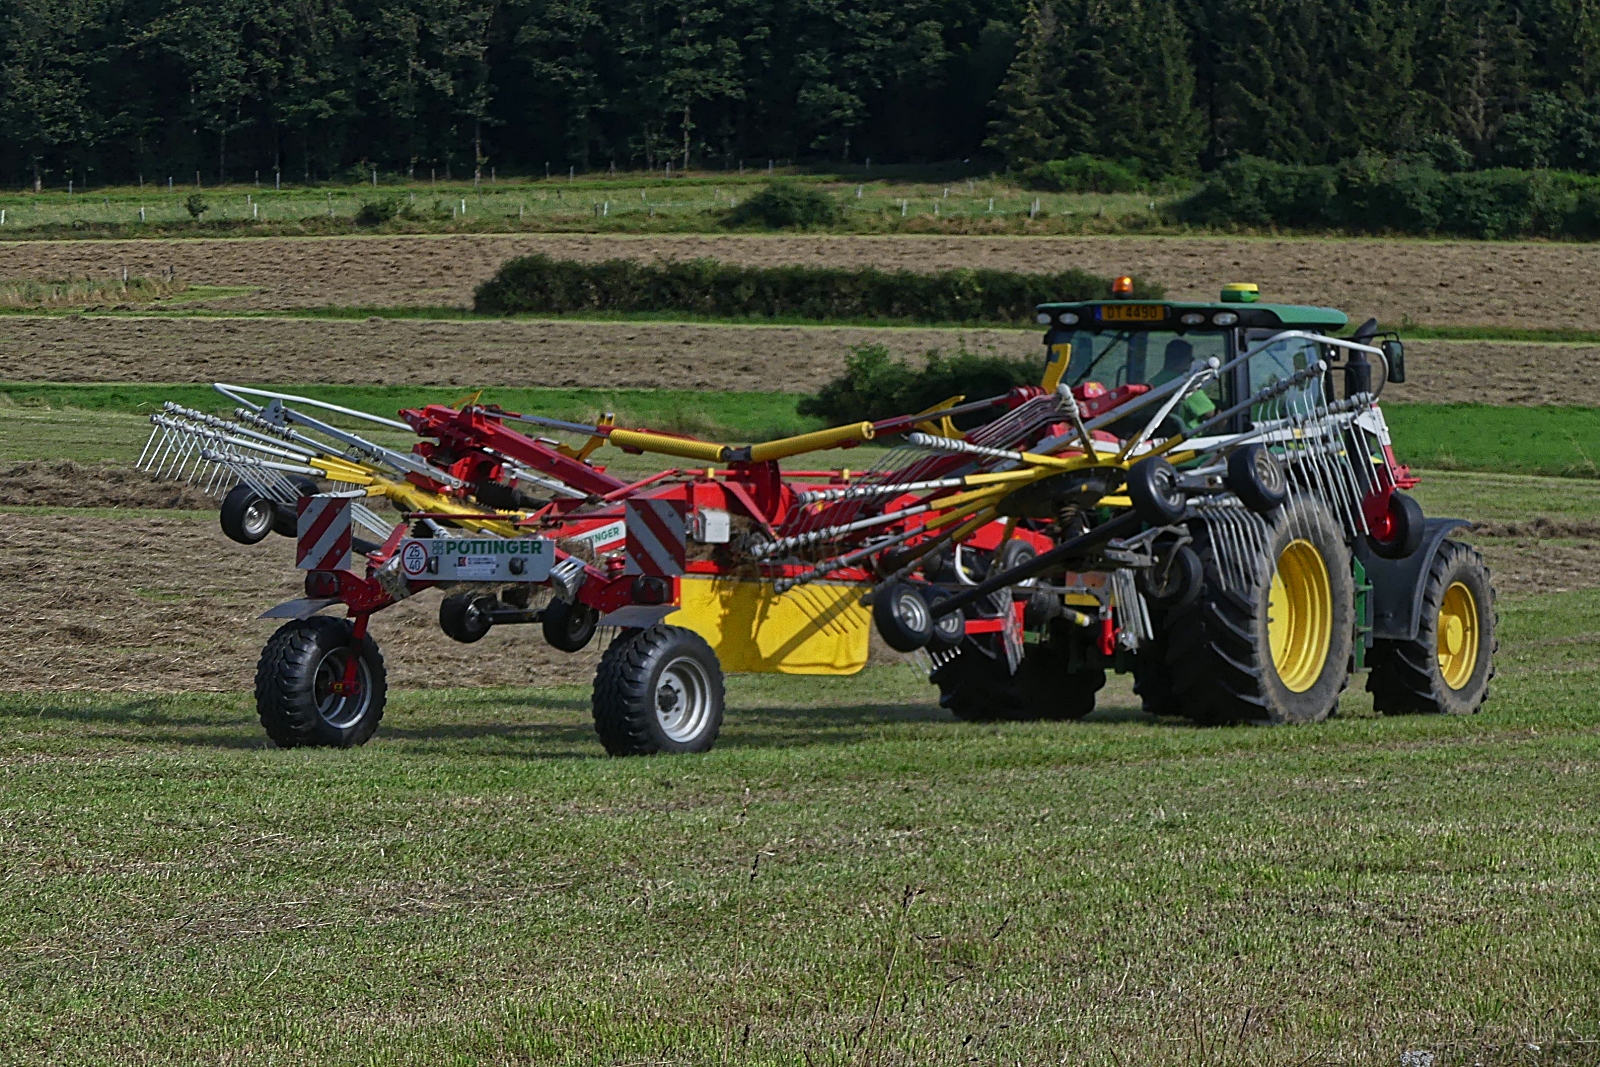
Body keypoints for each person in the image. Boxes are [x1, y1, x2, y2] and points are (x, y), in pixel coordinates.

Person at [1146, 338, 1216, 429]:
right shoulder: (1186, 384)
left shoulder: (1154, 381)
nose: (1192, 362)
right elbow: (1209, 414)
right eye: (1191, 358)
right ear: (1182, 360)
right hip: (1188, 438)